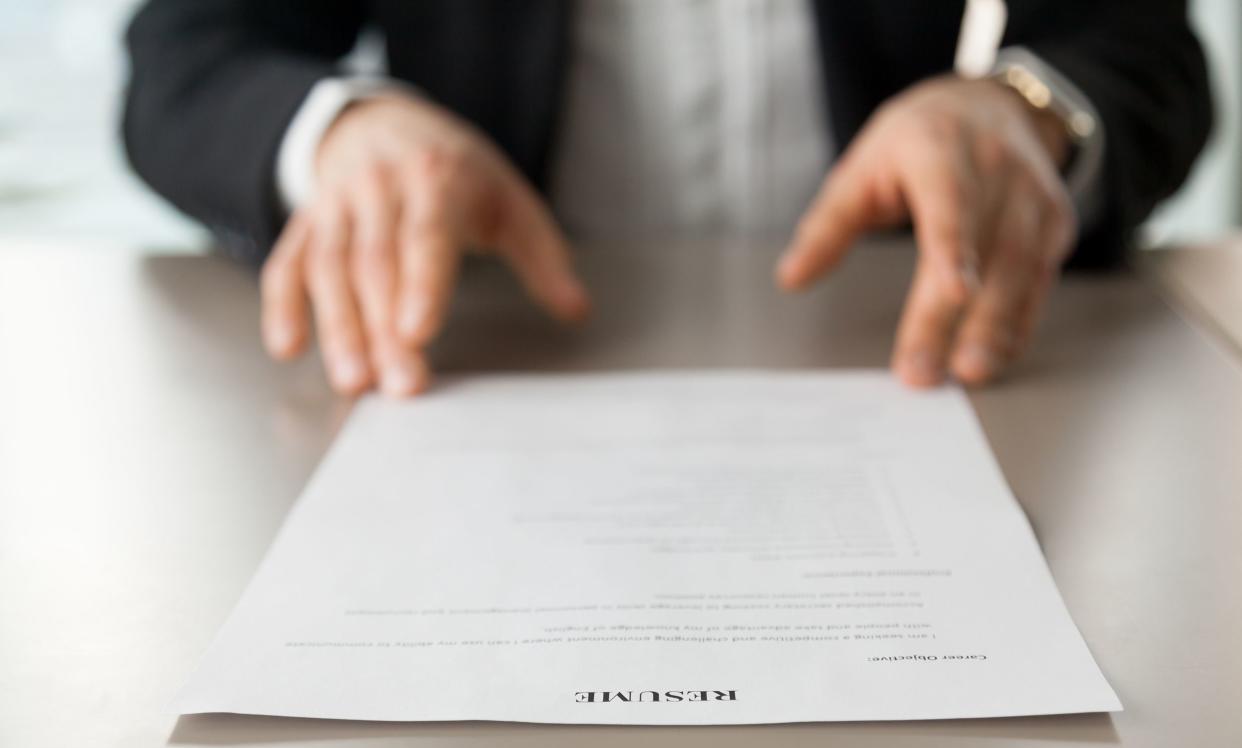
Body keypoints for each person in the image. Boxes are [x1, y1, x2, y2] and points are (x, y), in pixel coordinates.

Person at [122, 1, 1211, 397]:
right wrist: (343, 129)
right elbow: (188, 55)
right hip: (487, 343)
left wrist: (1021, 110)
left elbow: (1141, 46)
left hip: (911, 346)